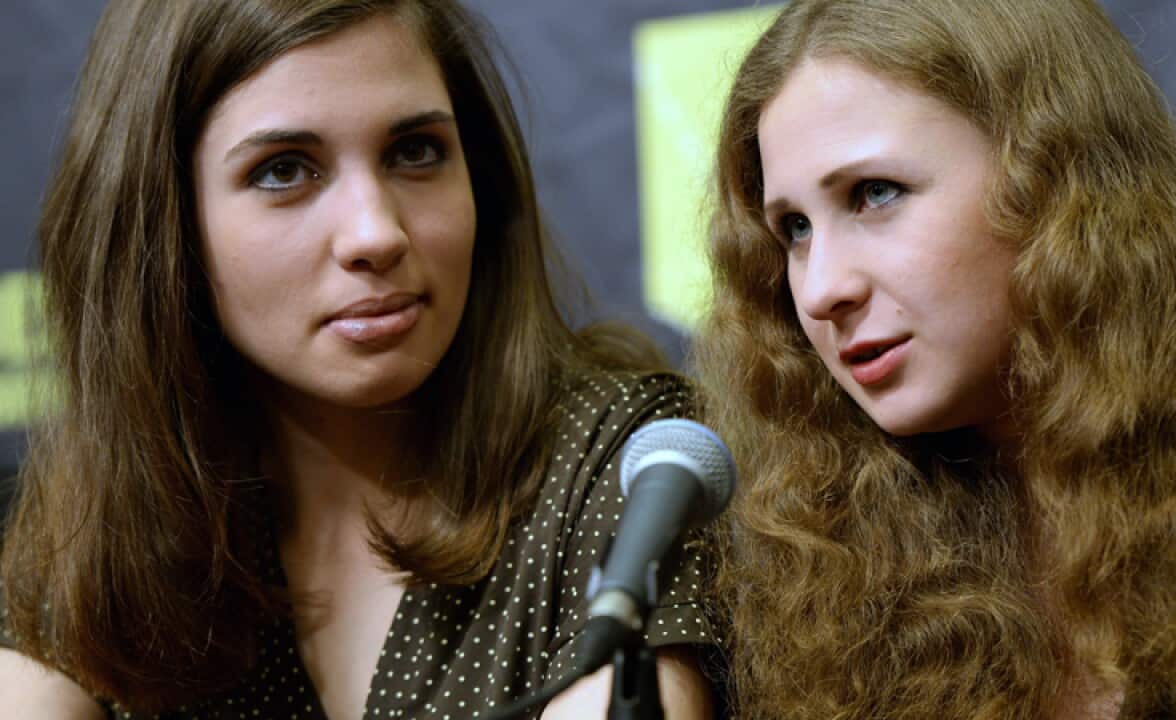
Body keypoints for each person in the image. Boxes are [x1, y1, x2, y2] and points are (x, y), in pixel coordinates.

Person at [0, 1, 718, 717]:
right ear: (164, 222)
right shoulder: (99, 532)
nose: (375, 233)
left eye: (415, 152)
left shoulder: (632, 461)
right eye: (284, 171)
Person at [692, 0, 1176, 718]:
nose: (821, 291)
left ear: (1052, 181)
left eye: (876, 194)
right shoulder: (835, 573)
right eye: (794, 229)